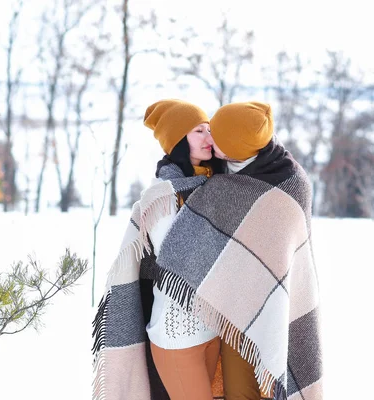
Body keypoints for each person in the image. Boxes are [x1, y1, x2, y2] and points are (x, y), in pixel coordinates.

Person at [92, 101, 322, 400]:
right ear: (177, 142)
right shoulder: (163, 196)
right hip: (176, 337)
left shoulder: (222, 181)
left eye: (209, 129)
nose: (208, 137)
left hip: (216, 330)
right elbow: (182, 259)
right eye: (198, 131)